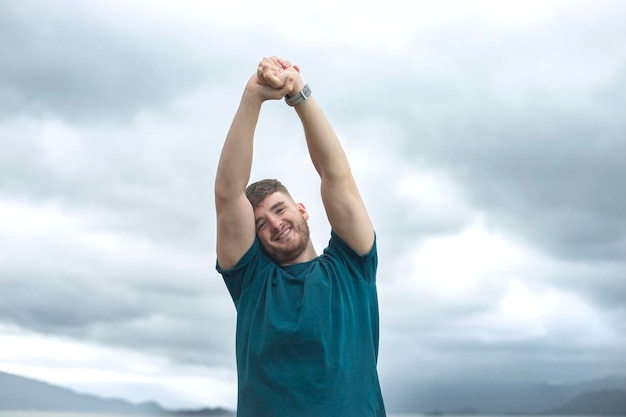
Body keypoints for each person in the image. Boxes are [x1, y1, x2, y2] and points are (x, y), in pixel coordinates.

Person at [214, 55, 386, 417]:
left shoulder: (351, 267)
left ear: (302, 210)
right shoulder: (252, 283)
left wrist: (300, 95)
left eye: (280, 209)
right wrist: (252, 96)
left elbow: (336, 176)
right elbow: (228, 196)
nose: (274, 223)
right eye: (260, 223)